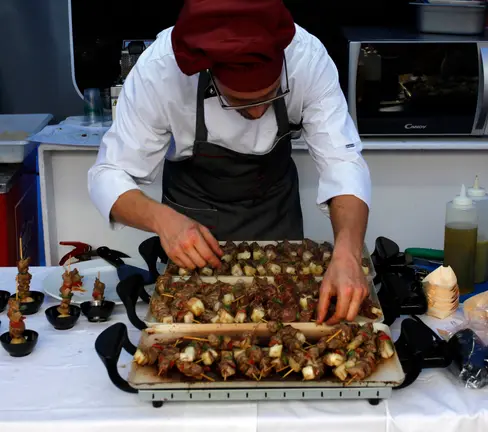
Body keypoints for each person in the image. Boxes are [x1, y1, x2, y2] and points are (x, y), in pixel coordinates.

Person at [87, 0, 372, 325]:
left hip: (276, 215)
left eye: (271, 96)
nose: (256, 113)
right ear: (208, 72)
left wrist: (348, 252)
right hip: (191, 224)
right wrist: (162, 221)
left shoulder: (307, 59)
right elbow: (108, 175)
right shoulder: (161, 70)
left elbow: (343, 163)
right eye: (238, 101)